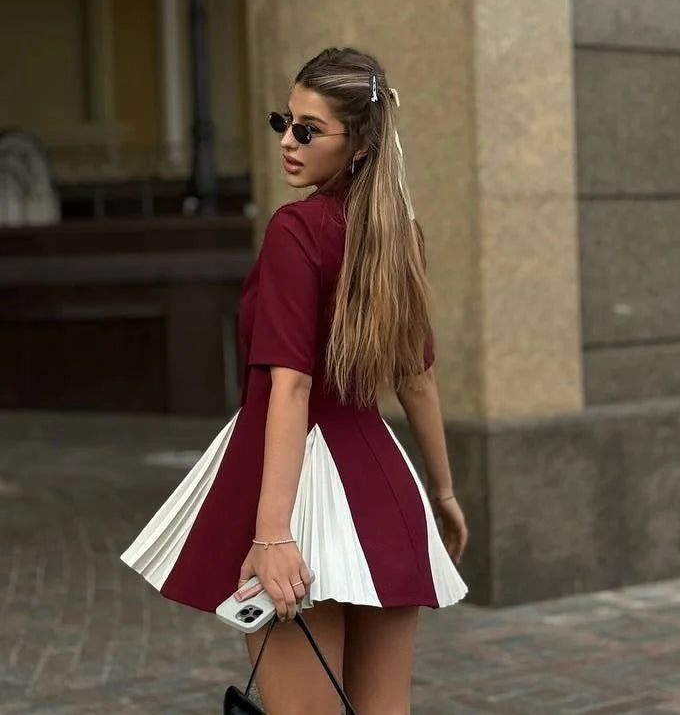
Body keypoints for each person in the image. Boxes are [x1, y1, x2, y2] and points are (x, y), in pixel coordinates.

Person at [122, 47, 468, 714]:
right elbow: (416, 381)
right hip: (385, 491)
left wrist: (273, 533)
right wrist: (444, 495)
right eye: (285, 120)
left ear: (359, 145)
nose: (287, 140)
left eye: (308, 130)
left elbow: (292, 387)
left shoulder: (295, 230)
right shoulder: (402, 235)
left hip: (296, 495)